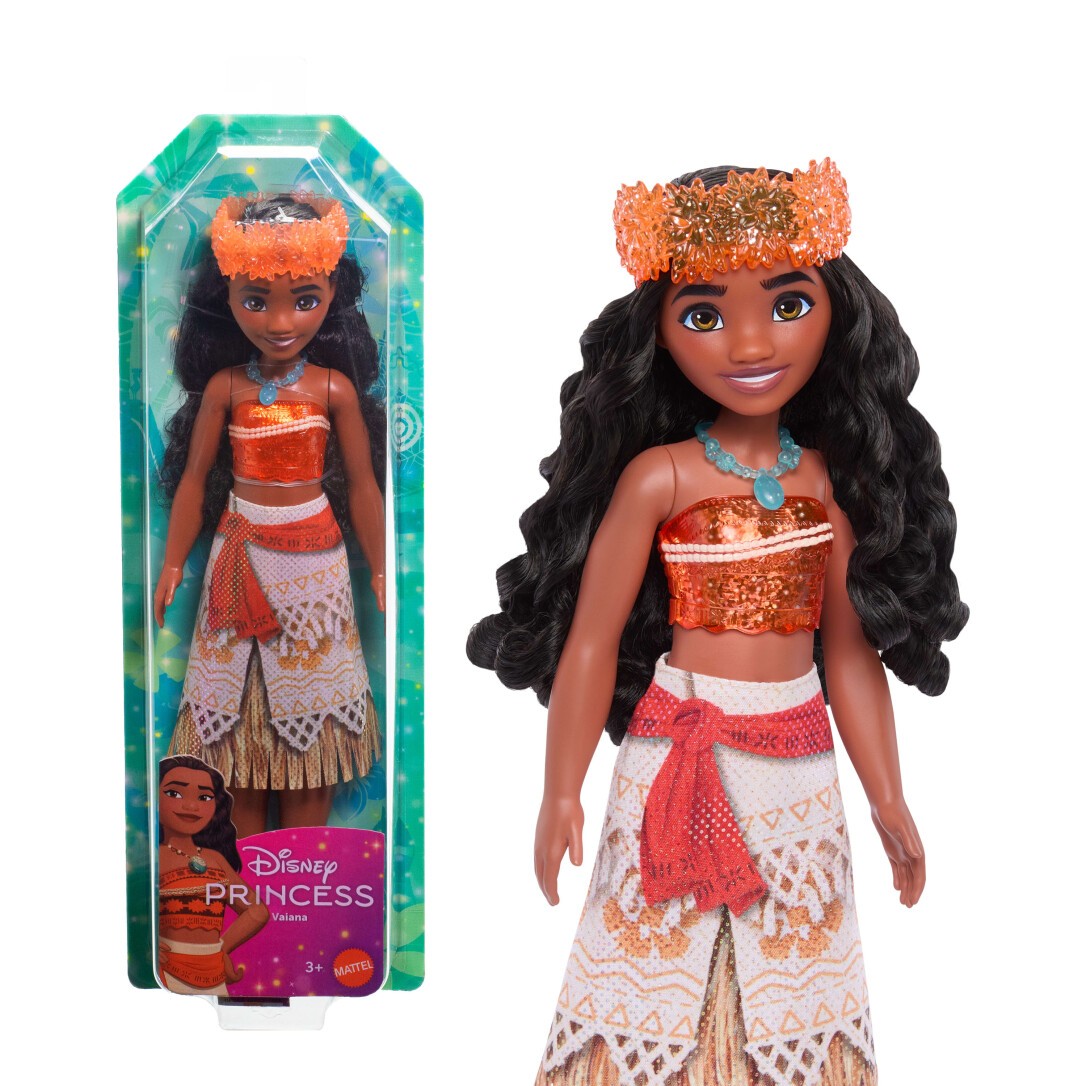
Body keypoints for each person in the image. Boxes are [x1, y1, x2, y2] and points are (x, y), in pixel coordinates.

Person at [469, 161, 967, 1086]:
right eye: (703, 315)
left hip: (796, 759)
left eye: (787, 305)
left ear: (837, 313)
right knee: (655, 957)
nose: (748, 343)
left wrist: (888, 796)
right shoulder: (661, 476)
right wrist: (560, 790)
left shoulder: (828, 483)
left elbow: (848, 654)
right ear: (657, 334)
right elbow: (591, 641)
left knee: (791, 965)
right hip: (678, 753)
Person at [157, 194, 385, 838]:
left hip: (315, 569)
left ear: (332, 294)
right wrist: (172, 562)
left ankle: (307, 867)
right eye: (256, 301)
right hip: (239, 561)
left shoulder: (333, 388)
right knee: (236, 741)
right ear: (226, 297)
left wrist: (378, 569)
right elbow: (195, 480)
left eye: (304, 299)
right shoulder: (226, 387)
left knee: (314, 741)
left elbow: (363, 485)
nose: (281, 322)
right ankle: (250, 870)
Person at [157, 755, 269, 995]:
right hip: (168, 969)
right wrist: (147, 944)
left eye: (204, 797)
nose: (191, 806)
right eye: (174, 793)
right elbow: (137, 908)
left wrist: (222, 948)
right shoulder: (156, 856)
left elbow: (256, 910)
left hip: (214, 971)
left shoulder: (215, 858)